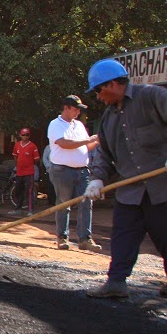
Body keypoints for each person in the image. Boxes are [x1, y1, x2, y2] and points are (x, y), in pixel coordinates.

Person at [82, 59, 167, 299]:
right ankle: (116, 283)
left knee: (165, 236)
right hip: (130, 191)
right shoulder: (108, 119)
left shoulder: (152, 97)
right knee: (122, 237)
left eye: (98, 90)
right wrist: (97, 179)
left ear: (112, 84)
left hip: (162, 188)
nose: (97, 97)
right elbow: (103, 154)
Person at [47, 95, 101, 251]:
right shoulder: (55, 124)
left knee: (86, 202)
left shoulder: (78, 125)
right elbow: (64, 144)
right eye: (75, 109)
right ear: (66, 108)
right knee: (64, 203)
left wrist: (96, 141)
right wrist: (88, 140)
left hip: (82, 170)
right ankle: (62, 237)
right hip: (62, 170)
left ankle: (85, 238)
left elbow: (84, 148)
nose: (78, 112)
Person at [9, 128, 40, 216]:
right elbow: (15, 156)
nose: (25, 137)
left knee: (29, 191)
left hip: (29, 172)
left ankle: (30, 210)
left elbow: (36, 159)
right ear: (20, 135)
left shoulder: (33, 146)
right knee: (18, 190)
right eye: (23, 135)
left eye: (27, 135)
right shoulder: (17, 145)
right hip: (19, 172)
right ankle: (18, 208)